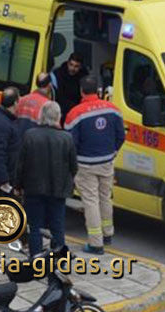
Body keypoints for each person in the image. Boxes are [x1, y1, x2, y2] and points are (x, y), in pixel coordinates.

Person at [64, 75, 126, 254]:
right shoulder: (113, 110)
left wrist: (71, 163)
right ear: (98, 90)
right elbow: (120, 136)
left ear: (81, 91)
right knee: (105, 197)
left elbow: (70, 143)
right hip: (107, 161)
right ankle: (107, 234)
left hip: (85, 164)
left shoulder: (75, 113)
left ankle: (95, 243)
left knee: (90, 201)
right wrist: (112, 152)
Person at [15, 101, 77, 257]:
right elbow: (73, 166)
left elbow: (21, 164)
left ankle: (36, 259)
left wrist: (18, 184)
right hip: (58, 189)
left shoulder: (30, 135)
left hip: (34, 188)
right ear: (58, 117)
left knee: (35, 226)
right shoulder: (66, 138)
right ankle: (58, 259)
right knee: (57, 227)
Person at [50, 53, 89, 124]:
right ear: (67, 63)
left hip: (77, 112)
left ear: (80, 67)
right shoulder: (58, 74)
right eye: (71, 65)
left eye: (76, 66)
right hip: (60, 111)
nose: (73, 68)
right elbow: (57, 95)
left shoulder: (84, 78)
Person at [16, 72, 52, 137]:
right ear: (49, 85)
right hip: (34, 143)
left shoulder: (22, 99)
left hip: (19, 140)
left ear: (36, 83)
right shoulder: (48, 105)